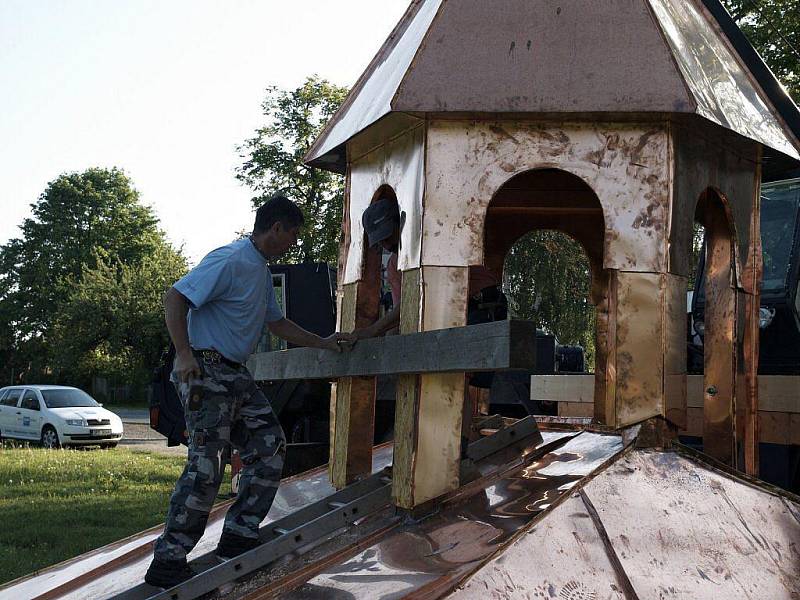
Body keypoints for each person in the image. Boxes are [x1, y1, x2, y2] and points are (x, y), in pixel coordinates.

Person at [145, 195, 352, 588]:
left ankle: (239, 534)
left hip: (235, 376)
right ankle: (168, 559)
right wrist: (183, 356)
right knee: (207, 466)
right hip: (205, 371)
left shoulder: (258, 269)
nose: (293, 243)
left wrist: (326, 342)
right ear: (275, 228)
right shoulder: (230, 258)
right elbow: (175, 298)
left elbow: (278, 325)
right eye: (292, 235)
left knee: (270, 446)